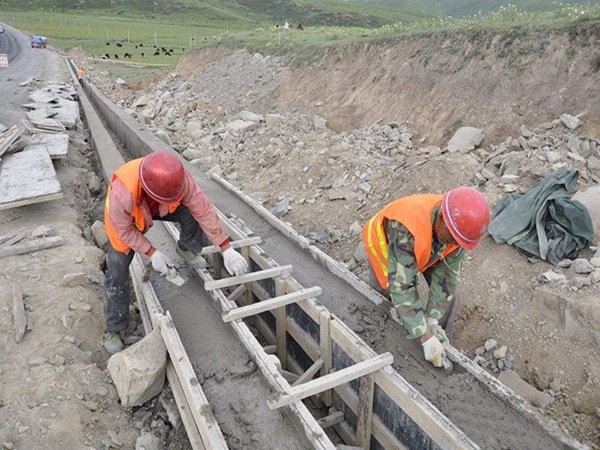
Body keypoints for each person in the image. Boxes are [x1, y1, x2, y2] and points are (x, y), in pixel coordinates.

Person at [102, 151, 248, 353]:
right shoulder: (121, 194)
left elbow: (203, 209)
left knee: (192, 214)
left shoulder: (179, 180)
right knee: (117, 270)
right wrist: (152, 252)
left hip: (158, 205)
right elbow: (125, 231)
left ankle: (186, 247)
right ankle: (114, 328)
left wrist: (226, 247)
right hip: (127, 219)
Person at [362, 187, 490, 368]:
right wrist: (424, 335)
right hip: (387, 247)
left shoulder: (457, 231)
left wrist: (432, 321)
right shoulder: (406, 227)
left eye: (459, 242)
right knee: (384, 295)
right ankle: (383, 343)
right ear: (441, 220)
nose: (455, 245)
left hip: (428, 246)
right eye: (453, 239)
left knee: (451, 295)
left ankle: (440, 343)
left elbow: (447, 279)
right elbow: (402, 286)